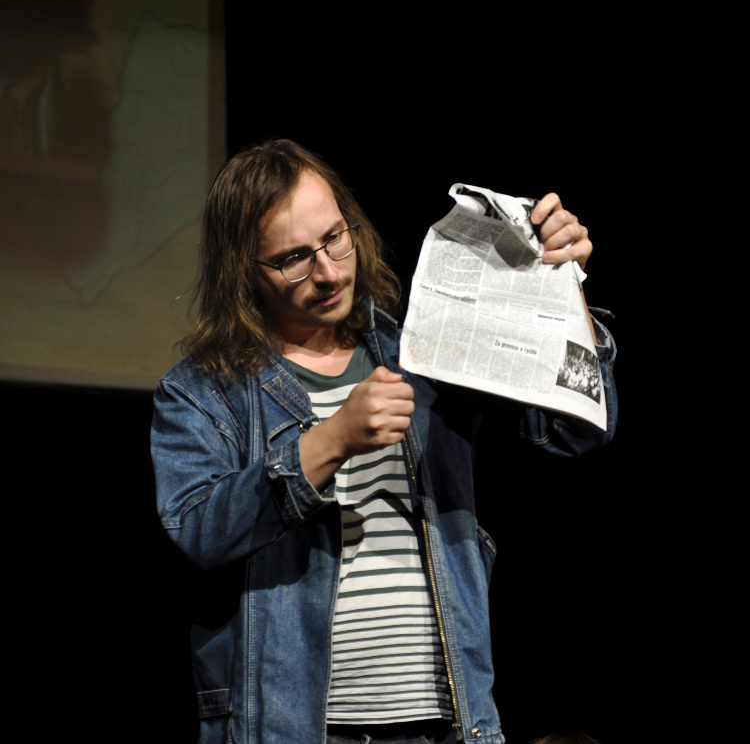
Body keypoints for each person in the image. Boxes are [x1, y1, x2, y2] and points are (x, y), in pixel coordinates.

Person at [150, 139, 618, 744]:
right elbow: (198, 530)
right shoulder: (203, 389)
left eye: (334, 239)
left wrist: (564, 282)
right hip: (299, 731)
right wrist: (331, 440)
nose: (327, 272)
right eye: (293, 259)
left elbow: (574, 432)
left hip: (444, 727)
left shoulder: (419, 351)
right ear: (245, 270)